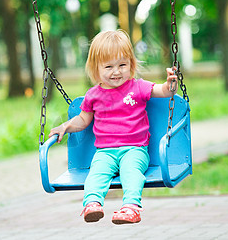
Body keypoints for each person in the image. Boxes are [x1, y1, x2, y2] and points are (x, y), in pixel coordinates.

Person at [49, 30, 177, 225]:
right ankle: (92, 204)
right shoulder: (93, 95)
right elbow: (83, 120)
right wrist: (65, 126)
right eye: (108, 66)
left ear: (131, 65)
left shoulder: (138, 87)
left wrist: (171, 84)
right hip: (105, 152)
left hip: (135, 150)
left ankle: (131, 207)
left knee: (131, 172)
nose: (116, 72)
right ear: (96, 68)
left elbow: (164, 91)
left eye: (122, 65)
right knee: (96, 174)